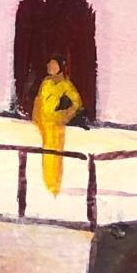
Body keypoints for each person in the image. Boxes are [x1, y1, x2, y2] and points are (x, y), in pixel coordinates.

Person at [33, 56, 84, 195]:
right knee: (46, 154)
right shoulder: (46, 82)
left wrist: (65, 115)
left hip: (56, 125)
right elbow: (38, 99)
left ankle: (54, 186)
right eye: (49, 64)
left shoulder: (65, 85)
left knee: (55, 154)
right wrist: (35, 117)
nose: (49, 67)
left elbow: (77, 103)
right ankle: (47, 184)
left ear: (60, 67)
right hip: (44, 124)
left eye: (53, 64)